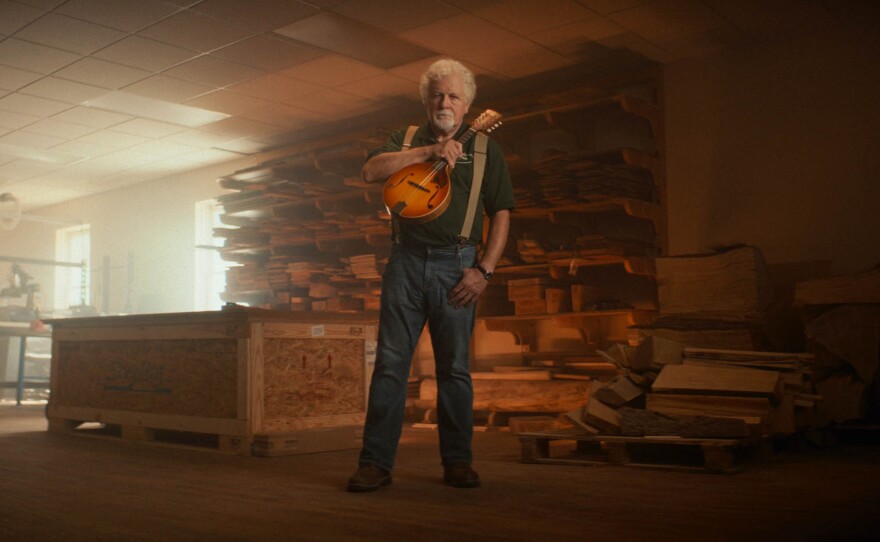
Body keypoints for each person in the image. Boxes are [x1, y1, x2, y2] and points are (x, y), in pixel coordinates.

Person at [347, 59, 514, 492]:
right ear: (426, 100)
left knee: (454, 369)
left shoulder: (485, 150)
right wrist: (428, 152)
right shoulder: (404, 140)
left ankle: (458, 462)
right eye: (437, 94)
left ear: (467, 104)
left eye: (454, 96)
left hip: (458, 266)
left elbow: (501, 213)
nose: (445, 102)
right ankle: (375, 465)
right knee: (390, 366)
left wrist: (485, 271)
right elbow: (369, 172)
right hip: (404, 262)